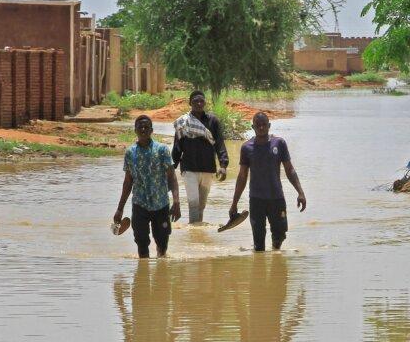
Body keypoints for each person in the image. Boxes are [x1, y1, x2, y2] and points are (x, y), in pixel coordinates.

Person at [229, 112, 307, 252]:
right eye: (257, 125)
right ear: (252, 127)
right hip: (256, 200)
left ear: (269, 126)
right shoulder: (247, 148)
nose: (261, 128)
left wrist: (300, 192)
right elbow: (242, 177)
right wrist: (234, 203)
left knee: (280, 236)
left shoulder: (279, 143)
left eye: (264, 124)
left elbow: (290, 170)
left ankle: (276, 253)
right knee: (259, 244)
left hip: (276, 198)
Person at [114, 115, 182, 258]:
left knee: (162, 246)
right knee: (141, 244)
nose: (143, 129)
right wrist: (119, 209)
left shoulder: (162, 149)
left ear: (151, 130)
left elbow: (172, 177)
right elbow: (128, 182)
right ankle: (142, 275)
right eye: (140, 127)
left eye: (146, 127)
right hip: (140, 205)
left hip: (161, 204)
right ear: (135, 130)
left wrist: (176, 202)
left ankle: (160, 276)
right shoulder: (130, 153)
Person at [172, 90, 228, 223]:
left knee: (201, 205)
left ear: (205, 102)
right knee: (193, 203)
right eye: (195, 101)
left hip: (208, 168)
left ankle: (197, 235)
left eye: (201, 101)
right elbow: (177, 147)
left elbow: (219, 143)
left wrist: (223, 165)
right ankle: (195, 233)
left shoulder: (212, 121)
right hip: (189, 168)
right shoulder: (183, 122)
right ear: (190, 103)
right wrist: (171, 168)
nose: (199, 103)